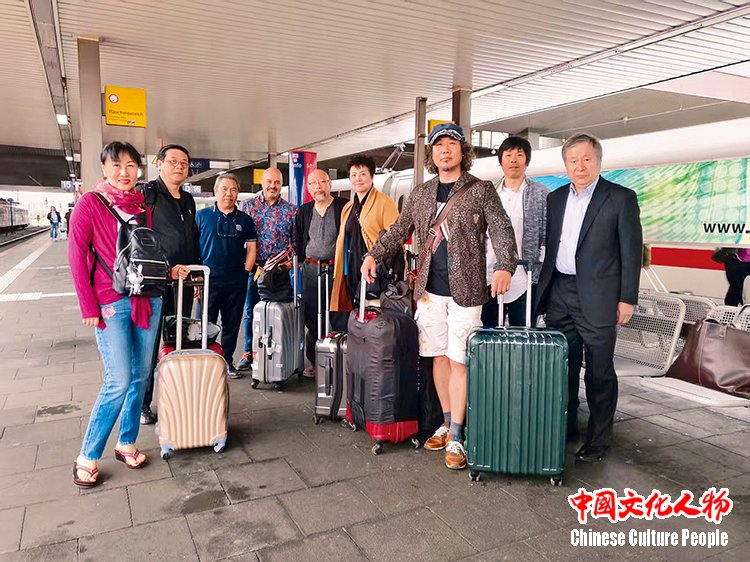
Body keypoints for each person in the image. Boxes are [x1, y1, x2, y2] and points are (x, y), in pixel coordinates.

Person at [361, 123, 517, 470]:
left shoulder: (480, 190)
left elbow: (501, 228)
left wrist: (505, 265)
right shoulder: (420, 193)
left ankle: (458, 436)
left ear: (463, 151)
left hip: (467, 292)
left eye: (452, 144)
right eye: (439, 145)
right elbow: (399, 230)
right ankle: (446, 423)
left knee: (459, 361)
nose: (445, 150)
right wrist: (373, 254)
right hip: (429, 292)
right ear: (432, 154)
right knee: (438, 359)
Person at [535, 133, 642, 464]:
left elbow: (631, 251)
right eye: (572, 161)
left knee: (599, 371)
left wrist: (627, 298)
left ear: (598, 161)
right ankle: (566, 427)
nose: (579, 166)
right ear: (565, 165)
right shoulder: (555, 199)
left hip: (599, 296)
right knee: (562, 367)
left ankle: (598, 440)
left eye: (585, 159)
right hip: (559, 292)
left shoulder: (620, 198)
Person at [67, 141, 165, 487]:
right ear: (104, 169)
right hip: (110, 302)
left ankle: (126, 441)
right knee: (119, 380)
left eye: (131, 166)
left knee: (141, 376)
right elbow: (76, 255)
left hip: (147, 299)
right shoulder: (90, 204)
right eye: (117, 165)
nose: (124, 172)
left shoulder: (142, 206)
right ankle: (87, 455)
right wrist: (88, 306)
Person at [140, 144, 198, 424]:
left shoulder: (188, 199)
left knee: (179, 339)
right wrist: (166, 269)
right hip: (155, 283)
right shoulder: (147, 195)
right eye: (173, 161)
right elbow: (140, 240)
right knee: (149, 346)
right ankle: (142, 404)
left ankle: (175, 397)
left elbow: (191, 238)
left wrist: (196, 273)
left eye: (184, 162)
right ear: (159, 163)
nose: (179, 166)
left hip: (184, 281)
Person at [482, 136, 548, 327]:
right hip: (490, 275)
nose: (513, 160)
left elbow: (547, 234)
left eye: (519, 155)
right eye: (508, 155)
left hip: (526, 276)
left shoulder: (541, 194)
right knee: (489, 332)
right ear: (500, 161)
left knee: (523, 332)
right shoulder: (488, 193)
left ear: (527, 160)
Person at [196, 173, 257, 378]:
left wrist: (245, 271)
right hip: (208, 280)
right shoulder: (202, 216)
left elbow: (252, 247)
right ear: (216, 191)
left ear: (237, 193)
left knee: (232, 322)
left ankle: (226, 360)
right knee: (205, 322)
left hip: (236, 280)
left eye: (233, 189)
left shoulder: (245, 220)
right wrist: (196, 276)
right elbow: (194, 247)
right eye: (224, 189)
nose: (228, 194)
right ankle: (205, 361)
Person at [236, 168, 297, 371]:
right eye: (269, 181)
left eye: (277, 182)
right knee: (251, 311)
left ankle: (280, 352)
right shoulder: (247, 206)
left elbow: (294, 241)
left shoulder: (291, 210)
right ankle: (249, 351)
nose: (273, 186)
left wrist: (289, 263)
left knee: (280, 311)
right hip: (255, 269)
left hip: (279, 271)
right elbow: (240, 238)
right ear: (262, 183)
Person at [294, 169, 348, 375]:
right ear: (308, 188)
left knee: (339, 315)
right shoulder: (304, 211)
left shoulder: (343, 207)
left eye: (322, 182)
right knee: (312, 316)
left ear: (329, 184)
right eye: (313, 183)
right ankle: (315, 361)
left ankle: (339, 359)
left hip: (336, 269)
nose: (318, 187)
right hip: (310, 269)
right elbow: (299, 239)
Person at [331, 155, 399, 313]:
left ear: (372, 176)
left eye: (362, 174)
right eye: (353, 175)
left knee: (374, 311)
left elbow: (395, 236)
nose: (358, 179)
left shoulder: (384, 202)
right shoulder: (349, 207)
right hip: (352, 268)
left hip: (375, 269)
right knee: (355, 311)